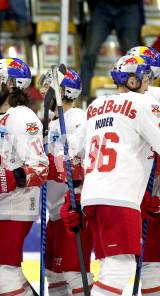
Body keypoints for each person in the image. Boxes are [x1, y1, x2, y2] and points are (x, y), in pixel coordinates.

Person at [78, 55, 160, 295]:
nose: (148, 84)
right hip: (120, 195)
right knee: (120, 267)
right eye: (144, 79)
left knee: (109, 266)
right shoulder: (141, 104)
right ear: (131, 80)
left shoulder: (94, 106)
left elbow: (73, 150)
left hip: (92, 197)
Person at [0, 58, 48, 295]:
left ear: (12, 84)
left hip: (15, 205)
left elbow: (40, 167)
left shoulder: (23, 117)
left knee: (2, 272)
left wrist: (5, 179)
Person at [39, 68, 94, 295]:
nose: (43, 92)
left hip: (71, 207)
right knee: (54, 273)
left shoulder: (78, 118)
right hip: (54, 212)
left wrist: (51, 164)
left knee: (74, 272)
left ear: (63, 91)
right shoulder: (52, 122)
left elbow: (79, 162)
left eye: (48, 87)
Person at [126, 46, 160, 295]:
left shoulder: (151, 98)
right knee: (149, 264)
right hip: (145, 198)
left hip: (152, 196)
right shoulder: (134, 101)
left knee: (149, 265)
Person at [79, 0, 143, 99]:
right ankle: (82, 98)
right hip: (103, 6)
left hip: (129, 6)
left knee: (133, 58)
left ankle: (136, 98)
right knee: (89, 53)